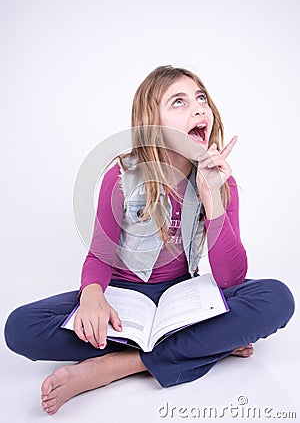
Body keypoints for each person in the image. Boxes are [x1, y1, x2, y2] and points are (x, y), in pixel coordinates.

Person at [4, 65, 295, 415]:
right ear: (152, 123)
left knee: (277, 298)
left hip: (182, 299)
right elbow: (99, 256)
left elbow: (230, 279)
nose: (198, 108)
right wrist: (93, 296)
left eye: (201, 98)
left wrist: (212, 200)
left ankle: (119, 366)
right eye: (179, 102)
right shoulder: (122, 177)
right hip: (123, 303)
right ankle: (205, 344)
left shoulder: (221, 182)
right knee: (20, 328)